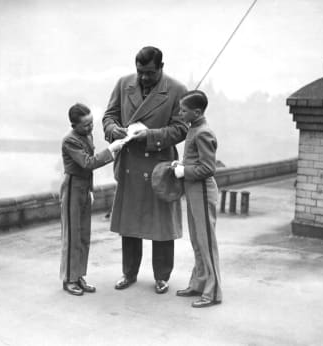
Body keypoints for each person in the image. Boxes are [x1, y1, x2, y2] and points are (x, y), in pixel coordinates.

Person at [102, 46, 188, 294]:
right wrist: (113, 131)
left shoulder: (176, 90)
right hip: (130, 164)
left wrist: (150, 135)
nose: (143, 78)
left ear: (161, 67)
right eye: (140, 72)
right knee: (130, 224)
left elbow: (181, 129)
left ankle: (162, 276)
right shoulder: (123, 84)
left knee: (161, 227)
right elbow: (109, 117)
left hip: (159, 168)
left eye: (149, 73)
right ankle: (129, 273)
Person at [60, 103, 125, 296]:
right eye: (85, 125)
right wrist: (111, 150)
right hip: (72, 187)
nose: (90, 128)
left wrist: (89, 189)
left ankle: (79, 276)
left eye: (91, 123)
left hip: (83, 188)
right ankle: (69, 279)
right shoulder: (69, 141)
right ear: (74, 125)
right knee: (72, 236)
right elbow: (87, 163)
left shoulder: (86, 135)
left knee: (83, 235)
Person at [173, 90, 222, 308]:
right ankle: (200, 283)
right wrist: (181, 166)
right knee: (196, 241)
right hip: (194, 192)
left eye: (183, 110)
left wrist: (185, 171)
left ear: (197, 111)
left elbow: (208, 168)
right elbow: (195, 162)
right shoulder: (194, 128)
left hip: (202, 192)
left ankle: (213, 293)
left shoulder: (203, 132)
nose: (180, 112)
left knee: (207, 243)